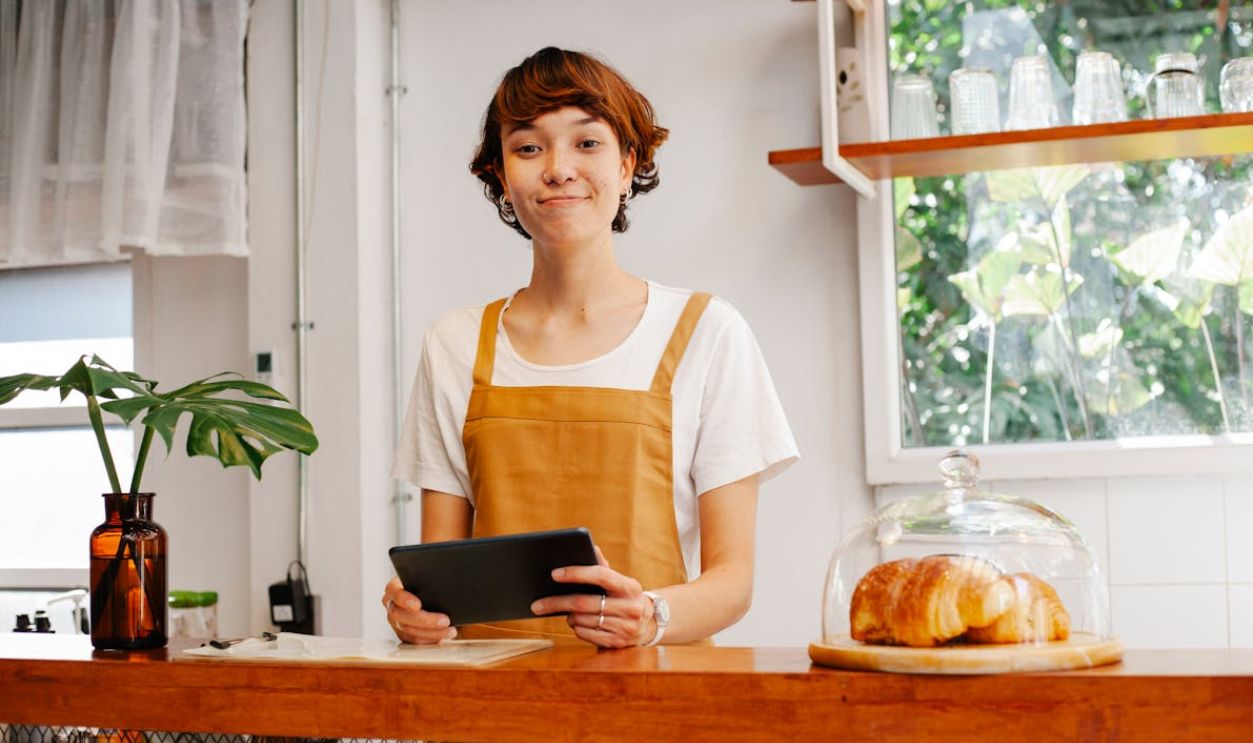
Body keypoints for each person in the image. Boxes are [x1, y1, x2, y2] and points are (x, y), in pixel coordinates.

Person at [382, 46, 798, 648]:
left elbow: (733, 582)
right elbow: (441, 574)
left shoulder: (708, 333)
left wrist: (651, 614)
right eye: (528, 147)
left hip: (656, 708)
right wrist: (416, 612)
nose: (557, 168)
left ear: (628, 165)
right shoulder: (454, 344)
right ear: (500, 174)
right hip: (490, 711)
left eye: (587, 143)